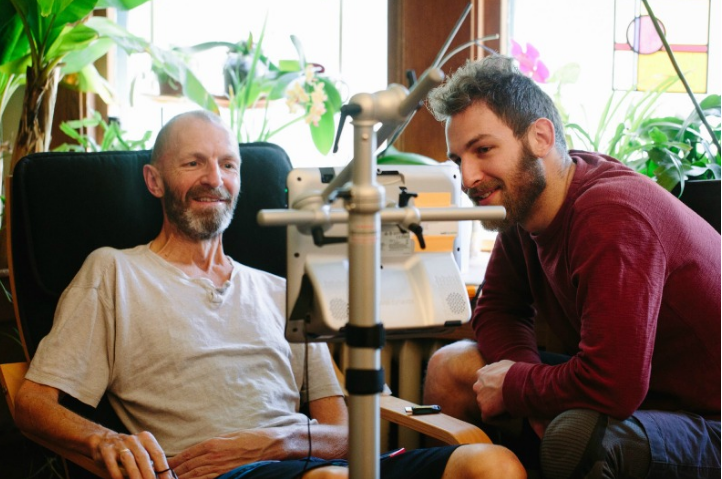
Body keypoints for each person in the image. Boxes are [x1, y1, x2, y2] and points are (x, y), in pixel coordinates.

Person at [13, 110, 526, 479]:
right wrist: (108, 442)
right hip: (212, 474)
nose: (214, 179)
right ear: (154, 179)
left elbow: (344, 433)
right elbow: (31, 404)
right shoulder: (114, 273)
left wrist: (277, 441)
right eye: (193, 164)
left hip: (312, 464)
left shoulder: (282, 289)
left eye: (228, 165)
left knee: (492, 463)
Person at [422, 56, 721, 478]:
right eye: (457, 160)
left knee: (575, 435)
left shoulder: (611, 214)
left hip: (708, 417)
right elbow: (498, 310)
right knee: (451, 367)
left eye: (484, 149)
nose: (469, 177)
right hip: (644, 397)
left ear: (540, 136)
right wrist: (527, 385)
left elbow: (613, 385)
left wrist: (518, 387)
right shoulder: (525, 204)